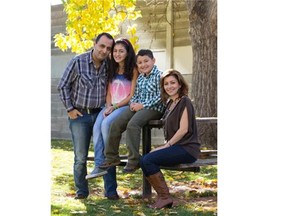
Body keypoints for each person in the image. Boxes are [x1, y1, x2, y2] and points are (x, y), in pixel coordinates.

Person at [57, 32, 115, 200]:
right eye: (102, 46)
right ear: (94, 43)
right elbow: (63, 86)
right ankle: (82, 191)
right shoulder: (78, 62)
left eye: (108, 48)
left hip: (101, 114)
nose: (104, 51)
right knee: (80, 156)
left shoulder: (108, 66)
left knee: (106, 154)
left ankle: (111, 191)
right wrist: (70, 108)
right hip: (80, 116)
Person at [139, 69, 201, 209]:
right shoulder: (169, 104)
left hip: (187, 148)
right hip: (177, 147)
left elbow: (183, 129)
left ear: (180, 84)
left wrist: (167, 145)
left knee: (147, 160)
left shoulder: (184, 101)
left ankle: (164, 198)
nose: (169, 86)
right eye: (166, 84)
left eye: (173, 82)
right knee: (145, 159)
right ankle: (164, 197)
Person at [85, 38, 138, 198]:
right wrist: (108, 106)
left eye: (121, 51)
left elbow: (131, 95)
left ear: (128, 53)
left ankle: (108, 159)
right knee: (97, 127)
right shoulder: (111, 68)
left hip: (123, 106)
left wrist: (114, 107)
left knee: (106, 123)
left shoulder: (133, 69)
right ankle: (98, 165)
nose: (117, 54)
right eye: (115, 51)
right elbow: (108, 92)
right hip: (110, 105)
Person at [99, 49, 165, 173]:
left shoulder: (160, 76)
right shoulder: (140, 78)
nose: (143, 65)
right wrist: (134, 104)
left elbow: (161, 96)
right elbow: (134, 94)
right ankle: (111, 157)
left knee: (133, 125)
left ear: (153, 61)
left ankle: (134, 160)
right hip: (138, 107)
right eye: (140, 63)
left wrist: (143, 105)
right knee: (116, 124)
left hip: (154, 108)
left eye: (146, 61)